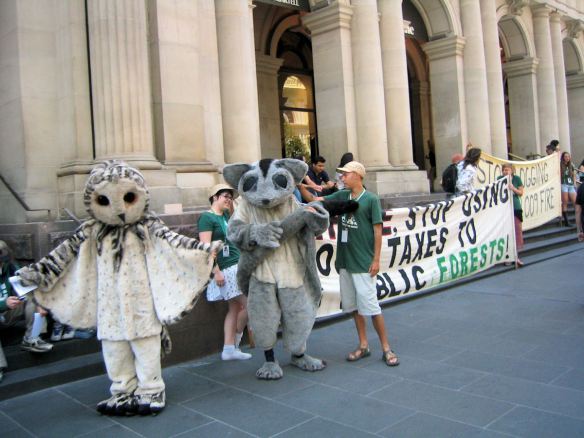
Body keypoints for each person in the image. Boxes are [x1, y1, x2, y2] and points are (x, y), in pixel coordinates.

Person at [300, 161, 399, 367]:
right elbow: (315, 201)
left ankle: (386, 348)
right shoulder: (342, 196)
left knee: (372, 307)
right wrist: (300, 185)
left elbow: (378, 231)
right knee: (353, 307)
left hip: (363, 262)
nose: (342, 178)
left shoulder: (371, 199)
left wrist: (376, 260)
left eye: (345, 174)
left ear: (357, 175)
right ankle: (363, 345)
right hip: (345, 262)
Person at [198, 184, 251, 361]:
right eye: (225, 196)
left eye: (230, 196)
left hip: (236, 265)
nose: (228, 199)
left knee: (235, 307)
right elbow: (206, 247)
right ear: (214, 197)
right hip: (224, 269)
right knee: (251, 303)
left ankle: (230, 347)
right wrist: (216, 271)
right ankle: (233, 343)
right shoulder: (206, 217)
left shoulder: (227, 215)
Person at [0, 240, 53, 382]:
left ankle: (32, 338)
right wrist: (3, 304)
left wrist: (39, 305)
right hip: (3, 308)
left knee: (32, 298)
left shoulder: (10, 267)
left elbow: (25, 286)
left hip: (9, 312)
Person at [499, 164, 525, 266]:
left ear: (512, 171)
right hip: (504, 208)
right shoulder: (500, 179)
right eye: (504, 170)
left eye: (507, 170)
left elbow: (521, 192)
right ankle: (507, 256)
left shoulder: (517, 179)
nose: (505, 172)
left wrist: (513, 188)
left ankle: (515, 255)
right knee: (506, 232)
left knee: (516, 231)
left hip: (515, 207)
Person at [560, 151, 578, 226]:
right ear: (563, 158)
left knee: (576, 202)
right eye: (565, 156)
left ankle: (578, 219)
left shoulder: (571, 165)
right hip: (564, 184)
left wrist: (574, 183)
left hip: (570, 185)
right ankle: (566, 221)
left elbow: (574, 175)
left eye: (568, 156)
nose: (567, 158)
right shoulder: (560, 165)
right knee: (565, 202)